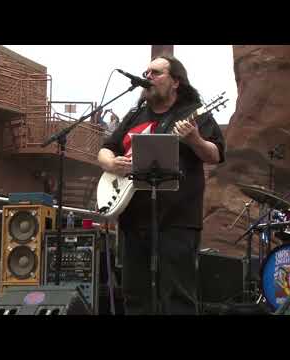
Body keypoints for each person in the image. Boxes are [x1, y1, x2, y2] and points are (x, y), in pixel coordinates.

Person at [97, 55, 226, 315]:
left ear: (175, 81)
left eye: (155, 73)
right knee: (135, 296)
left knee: (178, 297)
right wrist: (111, 164)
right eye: (146, 73)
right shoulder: (134, 114)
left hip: (177, 220)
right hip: (133, 220)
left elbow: (215, 155)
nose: (148, 77)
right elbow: (106, 149)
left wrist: (195, 140)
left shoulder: (192, 113)